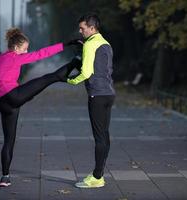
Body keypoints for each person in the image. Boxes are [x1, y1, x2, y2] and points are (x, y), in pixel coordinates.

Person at [0, 28, 80, 187]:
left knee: (8, 141)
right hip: (14, 97)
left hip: (2, 104)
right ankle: (75, 62)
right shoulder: (15, 58)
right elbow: (42, 54)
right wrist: (66, 44)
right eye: (25, 49)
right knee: (49, 78)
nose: (27, 51)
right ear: (16, 48)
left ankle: (5, 177)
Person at [67, 13, 115, 188]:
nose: (80, 31)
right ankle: (98, 174)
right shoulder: (105, 43)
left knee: (100, 138)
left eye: (83, 28)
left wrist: (70, 80)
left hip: (97, 95)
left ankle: (97, 177)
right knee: (105, 136)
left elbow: (86, 73)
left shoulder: (90, 45)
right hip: (109, 94)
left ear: (92, 28)